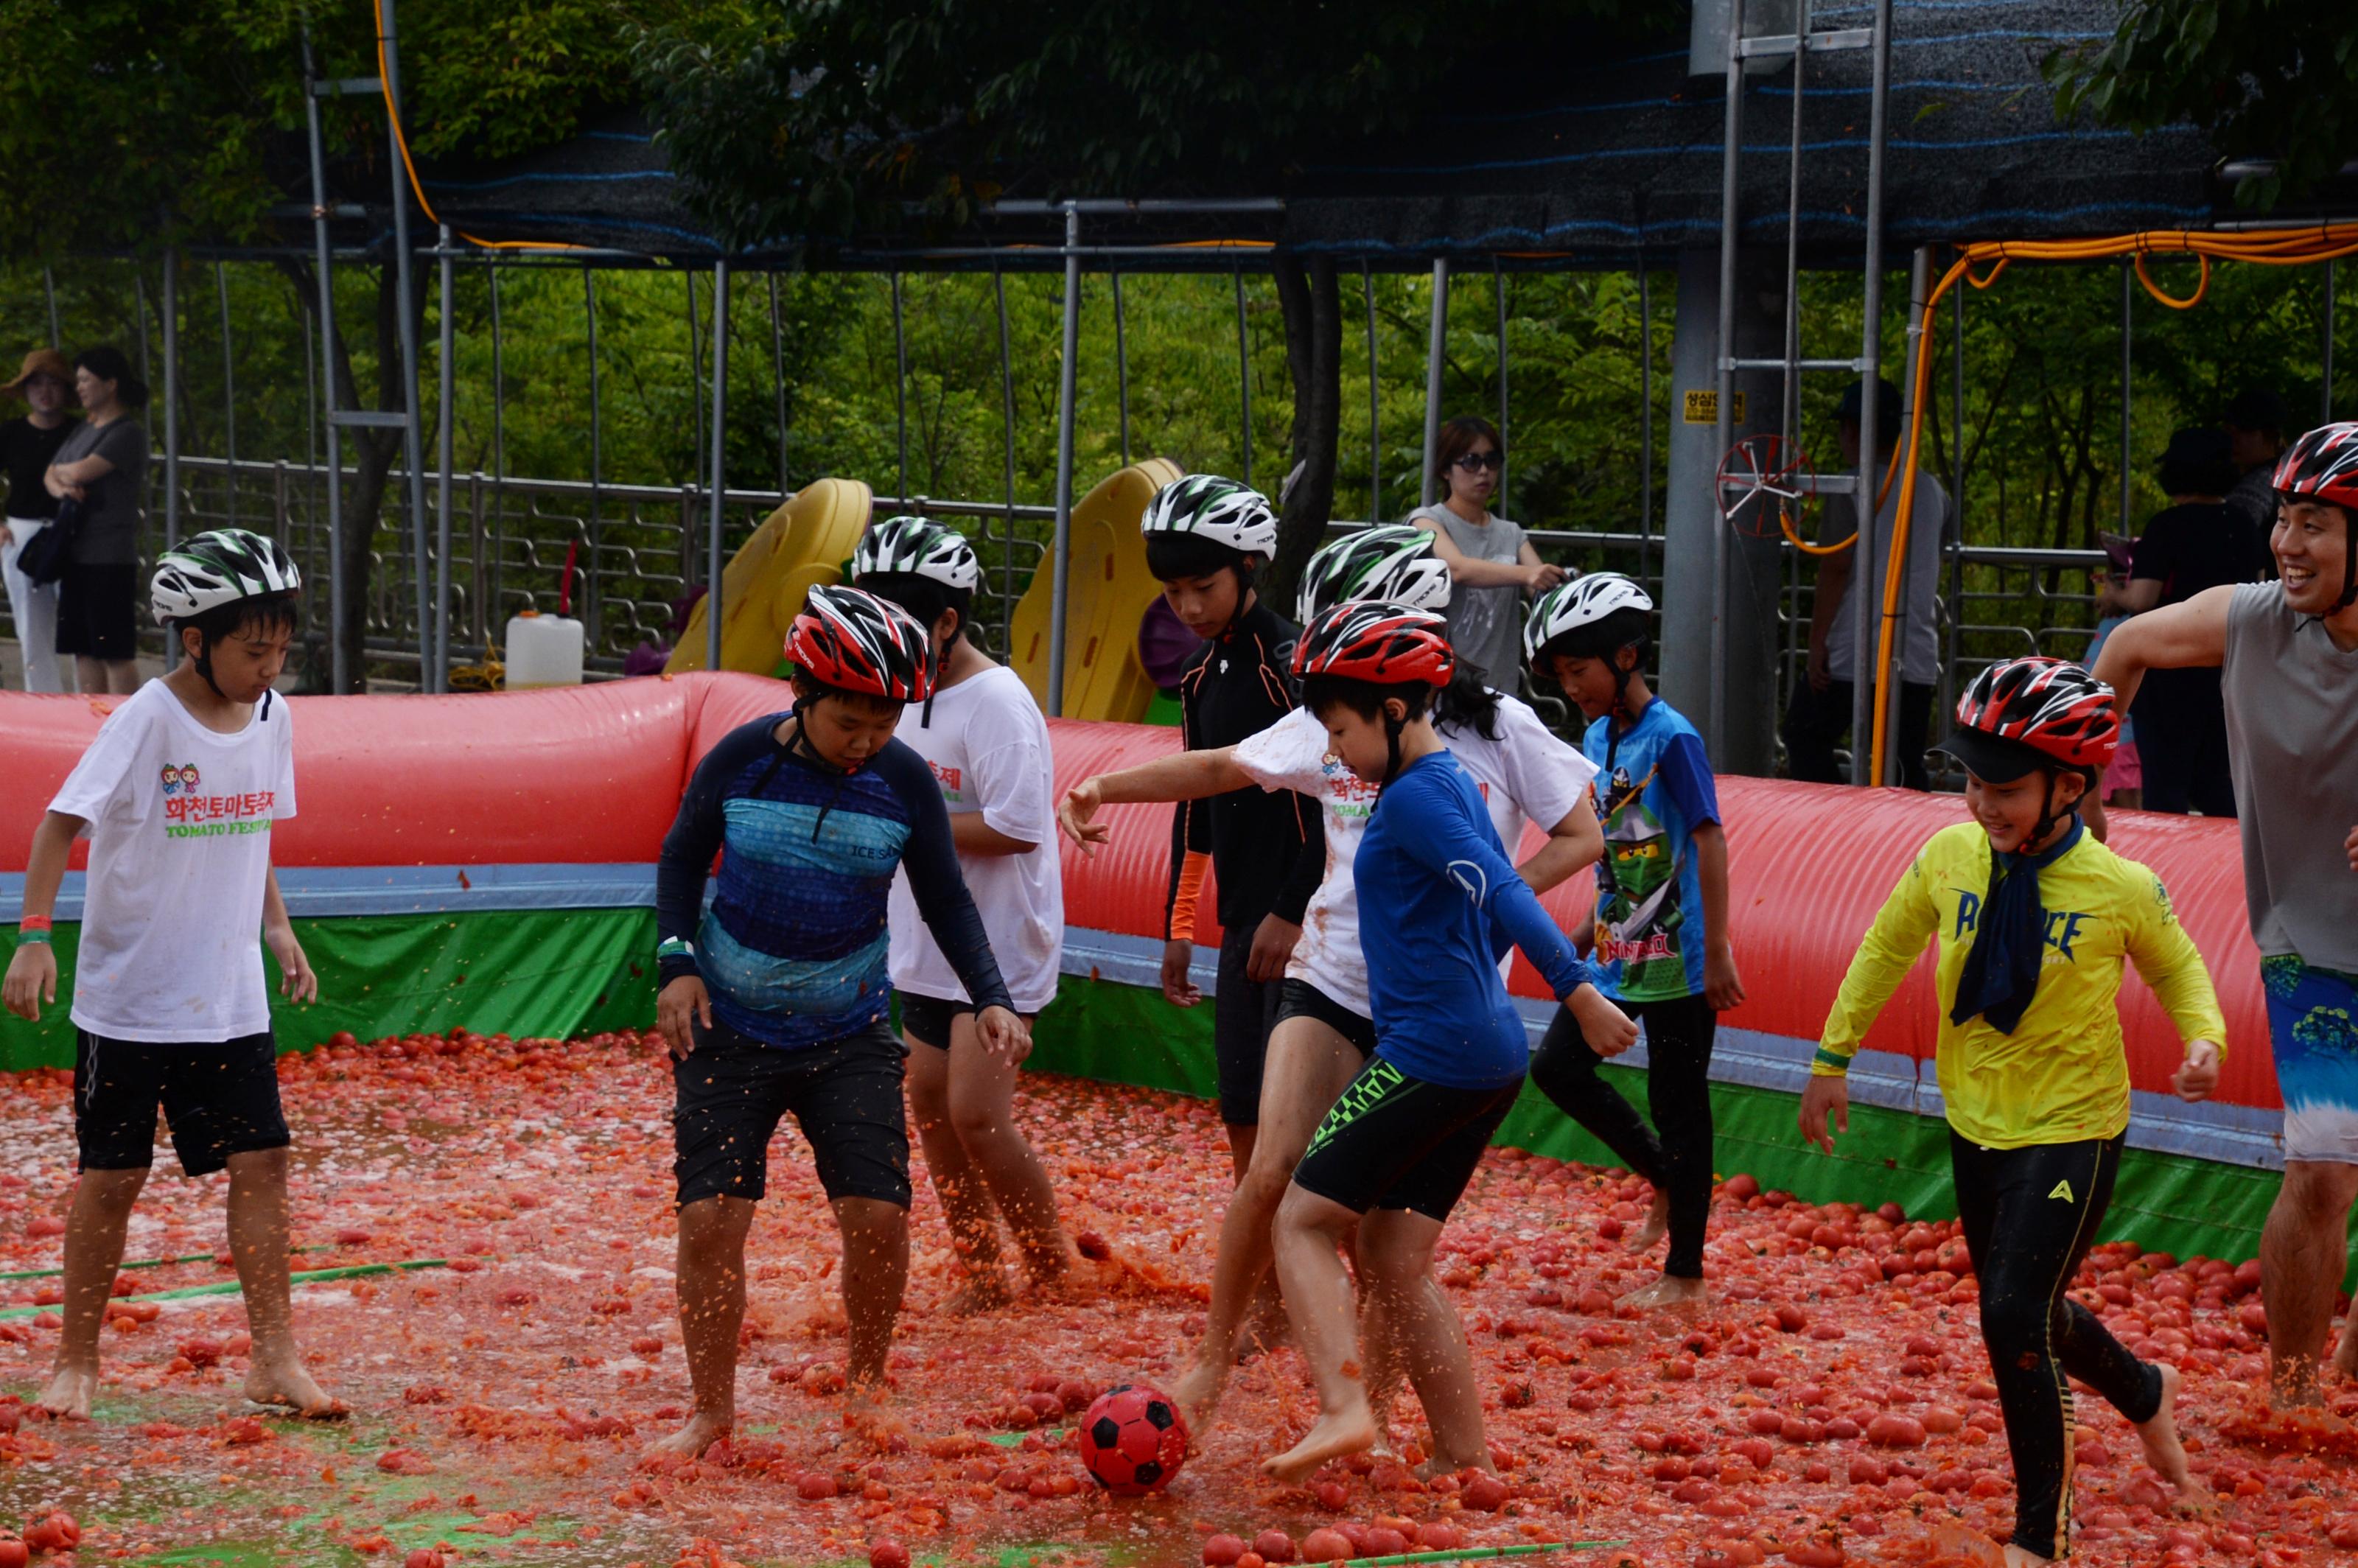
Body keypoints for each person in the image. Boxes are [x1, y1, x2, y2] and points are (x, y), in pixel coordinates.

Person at [1056, 525, 1602, 1433]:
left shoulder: (1499, 727)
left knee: (1383, 1233)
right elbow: (1225, 765)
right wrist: (1105, 788)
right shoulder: (1333, 715)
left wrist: (1481, 904)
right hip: (1332, 978)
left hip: (1431, 1003)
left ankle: (1371, 1410)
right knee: (1270, 1171)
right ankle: (1210, 1365)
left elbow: (1578, 837)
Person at [1801, 657, 2217, 1565]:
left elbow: (2181, 967)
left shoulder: (2119, 886)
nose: (1982, 803)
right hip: (1974, 1116)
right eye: (1972, 782)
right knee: (2024, 1307)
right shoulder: (1949, 856)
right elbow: (1883, 944)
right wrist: (1831, 1056)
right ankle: (2145, 1390)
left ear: (2068, 785)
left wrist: (2203, 1040)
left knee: (2008, 1311)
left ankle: (2040, 1539)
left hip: (2073, 1125)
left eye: (2005, 788)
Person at [1261, 601, 1637, 1483]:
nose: (1334, 751)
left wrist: (1578, 993)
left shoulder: (1421, 801)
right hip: (1485, 1056)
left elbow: (1505, 893)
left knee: (1302, 1219)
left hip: (1435, 1052)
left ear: (1393, 712)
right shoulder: (1447, 784)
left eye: (1341, 728)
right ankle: (1461, 1456)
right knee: (1393, 1256)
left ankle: (1344, 1406)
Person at [648, 585, 1028, 1458]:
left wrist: (991, 995)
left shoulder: (900, 782)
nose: (865, 740)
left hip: (847, 1034)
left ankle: (866, 1386)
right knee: (710, 1221)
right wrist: (676, 961)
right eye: (848, 720)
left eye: (884, 722)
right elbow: (679, 854)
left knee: (877, 1215)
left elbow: (944, 898)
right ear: (803, 694)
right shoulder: (743, 759)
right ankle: (710, 1411)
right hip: (728, 1028)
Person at [1, 529, 337, 1421]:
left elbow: (257, 824)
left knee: (263, 1161)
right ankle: (77, 1361)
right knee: (112, 1176)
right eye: (252, 648)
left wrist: (277, 926)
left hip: (228, 996)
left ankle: (274, 1356)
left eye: (280, 647)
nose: (270, 666)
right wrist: (34, 935)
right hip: (133, 999)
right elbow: (56, 826)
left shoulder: (273, 716)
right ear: (195, 641)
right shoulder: (147, 718)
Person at [2089, 423, 2358, 1409]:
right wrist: (2084, 805)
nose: (2289, 543)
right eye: (2284, 519)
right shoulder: (2251, 621)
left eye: (2317, 524)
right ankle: (2291, 1400)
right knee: (2325, 1174)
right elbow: (2123, 644)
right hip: (2312, 948)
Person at [852, 517, 1080, 1310]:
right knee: (929, 1107)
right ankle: (982, 1271)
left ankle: (1051, 1267)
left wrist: (900, 819)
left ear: (947, 621)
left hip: (996, 938)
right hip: (923, 939)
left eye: (901, 624)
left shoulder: (994, 701)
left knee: (977, 1115)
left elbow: (1019, 827)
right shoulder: (892, 691)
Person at [1522, 573, 1744, 1309]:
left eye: (1577, 671)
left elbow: (1707, 839)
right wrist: (1579, 933)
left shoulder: (1672, 737)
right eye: (1559, 676)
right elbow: (1616, 846)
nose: (1571, 687)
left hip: (1679, 955)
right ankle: (1661, 1174)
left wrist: (1716, 951)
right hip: (1619, 948)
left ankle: (1684, 1273)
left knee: (1679, 1098)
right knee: (1556, 1066)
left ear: (1623, 657)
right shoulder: (1593, 736)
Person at [1142, 473, 1324, 1180]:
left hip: (1307, 925)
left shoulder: (1294, 666)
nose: (1187, 607)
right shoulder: (1196, 675)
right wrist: (1179, 926)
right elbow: (1197, 804)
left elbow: (1330, 801)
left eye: (1202, 587)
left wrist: (1290, 912)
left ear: (1248, 566)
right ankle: (1271, 1285)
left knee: (1298, 1122)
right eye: (1172, 592)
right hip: (1242, 921)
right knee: (1241, 1109)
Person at [1783, 378, 1951, 790]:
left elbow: (1836, 566)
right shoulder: (1932, 489)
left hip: (1852, 650)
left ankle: (1826, 825)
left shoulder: (1851, 487)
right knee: (1903, 762)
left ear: (1854, 430)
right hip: (1914, 651)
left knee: (1804, 734)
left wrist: (1817, 640)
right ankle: (1908, 844)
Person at [2098, 427, 2267, 817]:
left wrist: (2112, 593)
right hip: (2228, 667)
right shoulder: (2242, 524)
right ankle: (2229, 867)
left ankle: (2169, 870)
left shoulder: (2166, 527)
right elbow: (2257, 592)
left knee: (2165, 785)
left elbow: (2142, 600)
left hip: (2169, 670)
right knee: (2216, 785)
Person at [1408, 416, 1564, 687]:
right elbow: (1458, 569)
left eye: (1491, 461)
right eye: (1471, 461)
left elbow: (1541, 590)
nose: (1483, 471)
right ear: (1446, 470)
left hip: (1500, 687)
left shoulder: (1510, 532)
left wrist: (1561, 583)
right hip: (1442, 686)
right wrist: (1528, 574)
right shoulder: (1426, 521)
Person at [46, 347, 150, 696]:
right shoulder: (84, 429)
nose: (80, 388)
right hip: (76, 551)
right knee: (82, 645)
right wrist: (63, 488)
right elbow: (51, 474)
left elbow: (83, 470)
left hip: (108, 554)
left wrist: (64, 476)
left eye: (86, 380)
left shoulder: (127, 432)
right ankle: (89, 719)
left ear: (110, 384)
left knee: (113, 648)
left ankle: (125, 719)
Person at [1, 349, 80, 693]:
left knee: (79, 623)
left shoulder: (81, 432)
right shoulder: (11, 433)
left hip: (72, 531)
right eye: (36, 384)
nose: (45, 392)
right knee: (32, 626)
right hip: (22, 532)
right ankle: (43, 699)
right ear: (26, 390)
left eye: (53, 383)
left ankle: (86, 697)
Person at [2220, 385, 2290, 545]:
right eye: (2229, 431)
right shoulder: (2282, 473)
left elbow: (2225, 536)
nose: (2234, 439)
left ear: (2271, 436)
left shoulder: (2262, 481)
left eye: (2245, 431)